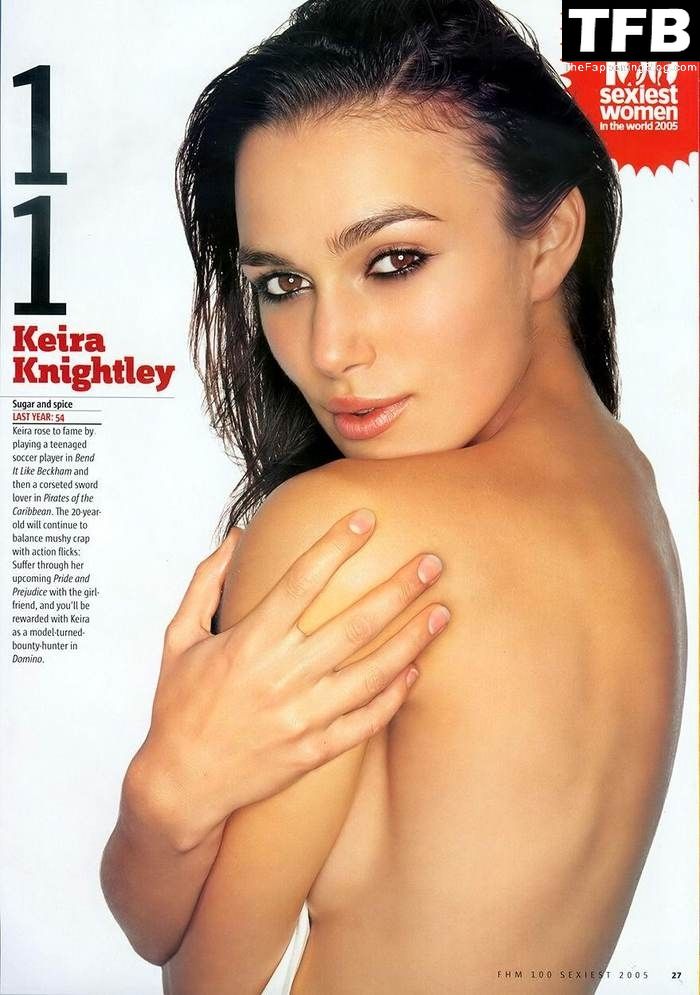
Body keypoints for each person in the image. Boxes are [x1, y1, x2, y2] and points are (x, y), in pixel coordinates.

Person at [100, 0, 688, 992]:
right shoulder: (632, 495)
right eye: (282, 283)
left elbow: (196, 972)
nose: (330, 350)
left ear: (549, 240)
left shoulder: (356, 535)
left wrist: (165, 791)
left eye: (392, 261)